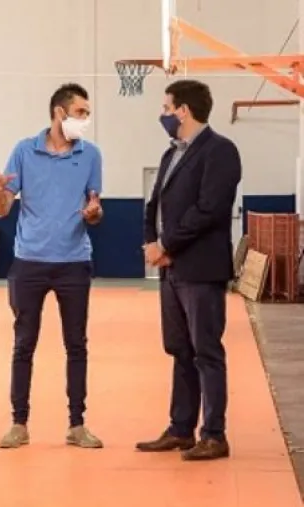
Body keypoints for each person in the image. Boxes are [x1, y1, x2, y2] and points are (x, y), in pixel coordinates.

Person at [0, 83, 104, 450]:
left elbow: (95, 210)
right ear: (60, 112)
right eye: (81, 112)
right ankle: (19, 423)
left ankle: (77, 424)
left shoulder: (91, 156)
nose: (85, 120)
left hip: (74, 262)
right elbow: (2, 209)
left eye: (87, 113)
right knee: (24, 344)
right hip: (29, 262)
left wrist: (93, 213)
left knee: (77, 345)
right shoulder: (24, 151)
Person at [136, 80, 240, 461]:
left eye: (165, 107)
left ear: (182, 110)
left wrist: (167, 245)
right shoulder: (170, 155)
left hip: (200, 269)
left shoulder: (221, 151)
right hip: (171, 271)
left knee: (206, 351)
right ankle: (181, 429)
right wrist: (152, 242)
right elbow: (154, 207)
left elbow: (209, 210)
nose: (162, 114)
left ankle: (214, 434)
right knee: (180, 350)